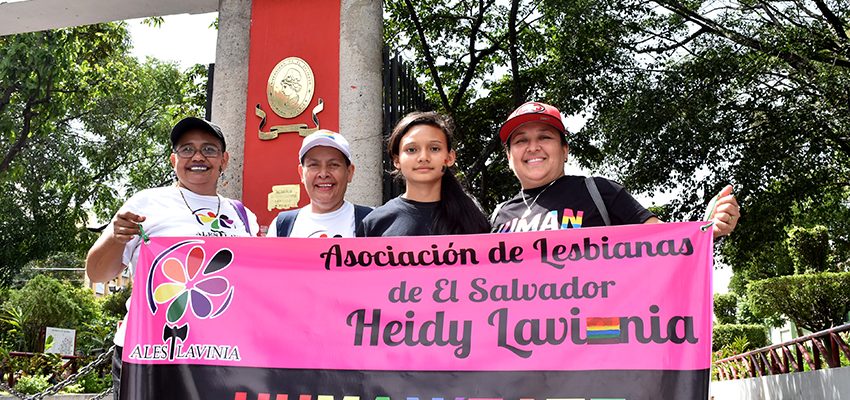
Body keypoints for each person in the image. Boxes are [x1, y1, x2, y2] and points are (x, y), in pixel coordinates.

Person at [85, 117, 259, 399]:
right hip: (150, 355)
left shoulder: (243, 216)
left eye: (209, 149)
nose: (198, 157)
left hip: (221, 356)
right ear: (173, 159)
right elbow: (97, 273)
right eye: (187, 149)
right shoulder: (146, 203)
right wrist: (115, 238)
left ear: (224, 160)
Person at [490, 101, 740, 236]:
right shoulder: (498, 216)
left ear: (565, 150)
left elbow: (665, 241)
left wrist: (709, 230)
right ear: (509, 156)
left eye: (545, 137)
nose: (533, 147)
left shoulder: (598, 192)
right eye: (521, 141)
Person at [358, 111, 490, 236]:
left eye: (434, 148)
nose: (423, 157)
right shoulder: (374, 223)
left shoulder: (475, 220)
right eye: (411, 150)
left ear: (450, 157)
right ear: (397, 160)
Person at [267, 130, 372, 238]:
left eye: (333, 165)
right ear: (301, 173)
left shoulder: (372, 222)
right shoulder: (281, 226)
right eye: (314, 165)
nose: (323, 174)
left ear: (349, 172)